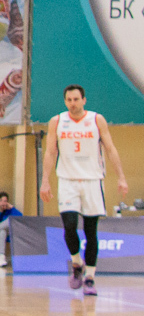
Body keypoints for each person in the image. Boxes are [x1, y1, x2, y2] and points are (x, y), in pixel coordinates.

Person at [41, 85, 128, 297]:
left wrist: (121, 177)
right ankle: (76, 262)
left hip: (92, 180)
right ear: (65, 101)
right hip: (67, 181)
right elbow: (51, 152)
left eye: (76, 99)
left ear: (84, 100)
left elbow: (110, 149)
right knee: (69, 226)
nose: (73, 103)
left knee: (91, 231)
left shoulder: (97, 120)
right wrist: (45, 181)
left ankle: (90, 277)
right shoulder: (57, 121)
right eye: (69, 100)